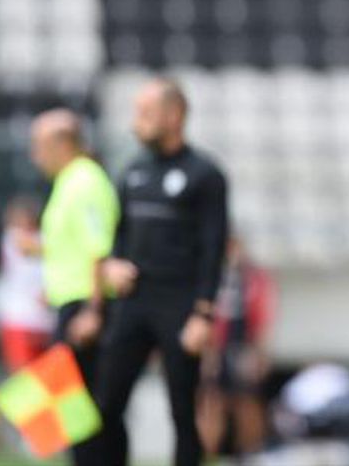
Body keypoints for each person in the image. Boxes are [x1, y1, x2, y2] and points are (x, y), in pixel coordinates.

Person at [97, 78, 229, 466]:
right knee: (106, 403)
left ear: (174, 116)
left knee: (183, 413)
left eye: (145, 114)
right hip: (133, 302)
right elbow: (119, 235)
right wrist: (112, 264)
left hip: (180, 306)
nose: (135, 123)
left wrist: (203, 314)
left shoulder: (205, 174)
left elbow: (213, 248)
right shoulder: (133, 170)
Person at [28, 108, 120, 466]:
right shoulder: (70, 181)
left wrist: (93, 310)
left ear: (62, 143)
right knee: (73, 410)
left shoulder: (85, 181)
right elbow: (74, 246)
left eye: (39, 146)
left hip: (85, 307)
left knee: (81, 408)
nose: (35, 156)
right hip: (71, 301)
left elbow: (99, 248)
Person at [198, 235, 276, 459]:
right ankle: (208, 455)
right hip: (215, 348)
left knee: (246, 403)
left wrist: (259, 350)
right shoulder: (208, 275)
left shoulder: (252, 277)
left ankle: (251, 455)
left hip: (241, 346)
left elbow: (262, 314)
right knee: (211, 402)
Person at [0, 196, 53, 372]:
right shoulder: (12, 237)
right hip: (19, 318)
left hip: (45, 321)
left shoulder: (45, 238)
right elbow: (27, 247)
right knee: (21, 375)